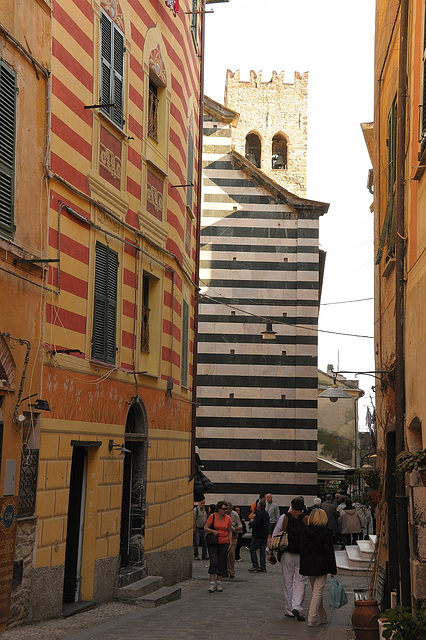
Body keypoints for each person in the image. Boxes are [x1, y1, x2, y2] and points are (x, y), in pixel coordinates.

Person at [269, 496, 308, 621]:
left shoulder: (284, 517)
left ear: (291, 505)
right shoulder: (307, 519)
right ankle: (297, 605)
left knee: (288, 581)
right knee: (300, 581)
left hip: (286, 552)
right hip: (302, 554)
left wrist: (270, 551)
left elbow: (275, 535)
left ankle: (289, 608)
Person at [299, 508, 337, 627]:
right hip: (321, 565)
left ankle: (323, 616)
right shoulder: (325, 533)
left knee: (316, 591)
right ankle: (312, 618)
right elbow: (329, 552)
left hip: (309, 564)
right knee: (318, 591)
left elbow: (302, 549)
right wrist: (333, 569)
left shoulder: (305, 531)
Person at [204, 500, 232, 592]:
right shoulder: (212, 516)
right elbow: (205, 528)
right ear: (219, 509)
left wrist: (230, 543)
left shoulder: (228, 518)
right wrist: (213, 531)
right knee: (214, 561)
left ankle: (219, 583)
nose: (225, 511)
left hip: (224, 542)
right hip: (213, 542)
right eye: (223, 509)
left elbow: (229, 531)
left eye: (226, 509)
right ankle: (212, 584)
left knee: (222, 562)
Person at [248, 499, 269, 572]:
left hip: (258, 535)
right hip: (264, 535)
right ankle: (263, 566)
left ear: (259, 505)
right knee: (262, 551)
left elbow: (256, 523)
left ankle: (255, 565)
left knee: (252, 549)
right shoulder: (266, 513)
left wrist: (251, 523)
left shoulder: (259, 513)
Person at [224, 502, 242, 577]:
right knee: (224, 553)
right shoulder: (223, 514)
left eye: (226, 509)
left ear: (230, 509)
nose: (225, 510)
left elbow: (240, 527)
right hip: (224, 536)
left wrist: (235, 528)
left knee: (231, 552)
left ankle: (231, 571)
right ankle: (225, 570)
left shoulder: (235, 515)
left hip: (233, 535)